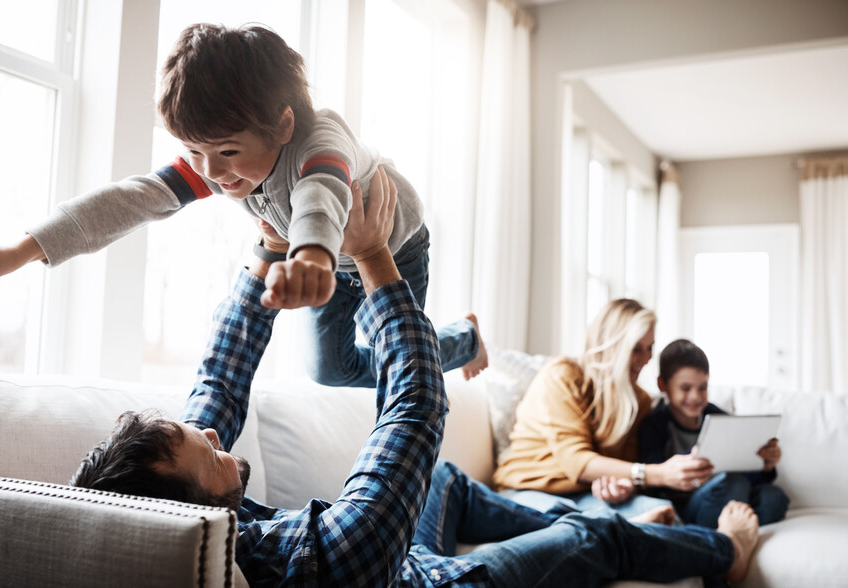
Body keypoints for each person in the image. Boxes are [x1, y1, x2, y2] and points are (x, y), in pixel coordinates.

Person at [72, 178, 759, 587]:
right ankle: (724, 551)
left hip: (407, 554)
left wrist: (266, 253)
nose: (216, 432)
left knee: (448, 483)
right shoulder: (321, 557)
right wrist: (374, 257)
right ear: (200, 507)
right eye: (207, 451)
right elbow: (414, 409)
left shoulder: (195, 518)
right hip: (435, 583)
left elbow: (219, 378)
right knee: (591, 543)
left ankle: (617, 518)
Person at [0, 22, 487, 387]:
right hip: (312, 258)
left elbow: (320, 196)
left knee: (401, 368)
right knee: (328, 371)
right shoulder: (223, 162)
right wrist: (18, 251)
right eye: (194, 152)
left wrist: (314, 258)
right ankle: (462, 338)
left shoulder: (321, 140)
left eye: (226, 151)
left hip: (388, 244)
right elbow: (132, 199)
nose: (210, 172)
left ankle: (462, 341)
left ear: (283, 123)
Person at [493, 298, 715, 520]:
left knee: (665, 514)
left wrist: (625, 485)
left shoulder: (640, 400)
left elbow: (628, 465)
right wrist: (658, 474)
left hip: (588, 495)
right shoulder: (562, 376)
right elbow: (577, 461)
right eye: (636, 348)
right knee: (580, 524)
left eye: (650, 348)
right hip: (530, 490)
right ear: (611, 346)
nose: (646, 358)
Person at [639, 338, 790, 528]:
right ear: (663, 385)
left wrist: (764, 465)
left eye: (702, 387)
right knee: (733, 484)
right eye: (685, 388)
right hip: (687, 503)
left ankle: (729, 523)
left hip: (729, 493)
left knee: (774, 497)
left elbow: (746, 474)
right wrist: (694, 457)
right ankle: (713, 532)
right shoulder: (654, 424)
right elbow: (654, 482)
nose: (695, 396)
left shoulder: (719, 418)